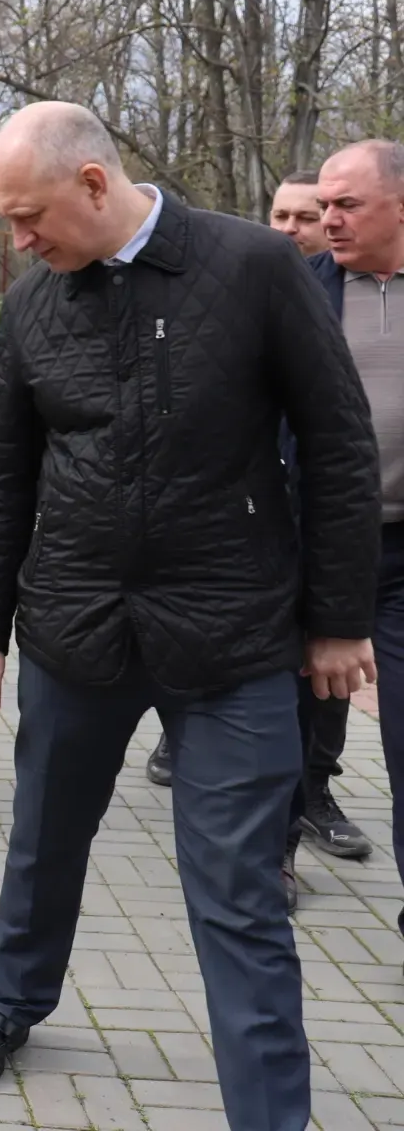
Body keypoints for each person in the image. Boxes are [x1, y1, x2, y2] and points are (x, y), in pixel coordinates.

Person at [0, 102, 378, 1131]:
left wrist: (336, 618)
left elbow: (341, 443)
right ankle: (14, 999)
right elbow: (2, 475)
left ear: (94, 183)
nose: (19, 239)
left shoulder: (252, 269)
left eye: (28, 214)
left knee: (241, 894)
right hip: (77, 632)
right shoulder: (34, 302)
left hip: (232, 640)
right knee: (44, 839)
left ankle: (271, 1113)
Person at [145, 166, 375, 885]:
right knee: (285, 680)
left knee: (332, 675)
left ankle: (315, 791)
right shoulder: (281, 289)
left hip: (361, 525)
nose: (299, 228)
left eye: (313, 214)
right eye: (290, 213)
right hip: (273, 519)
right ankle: (272, 837)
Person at [311, 140, 404, 931]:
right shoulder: (300, 291)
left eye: (347, 204)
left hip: (402, 553)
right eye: (323, 204)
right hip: (308, 545)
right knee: (279, 721)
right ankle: (269, 857)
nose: (327, 219)